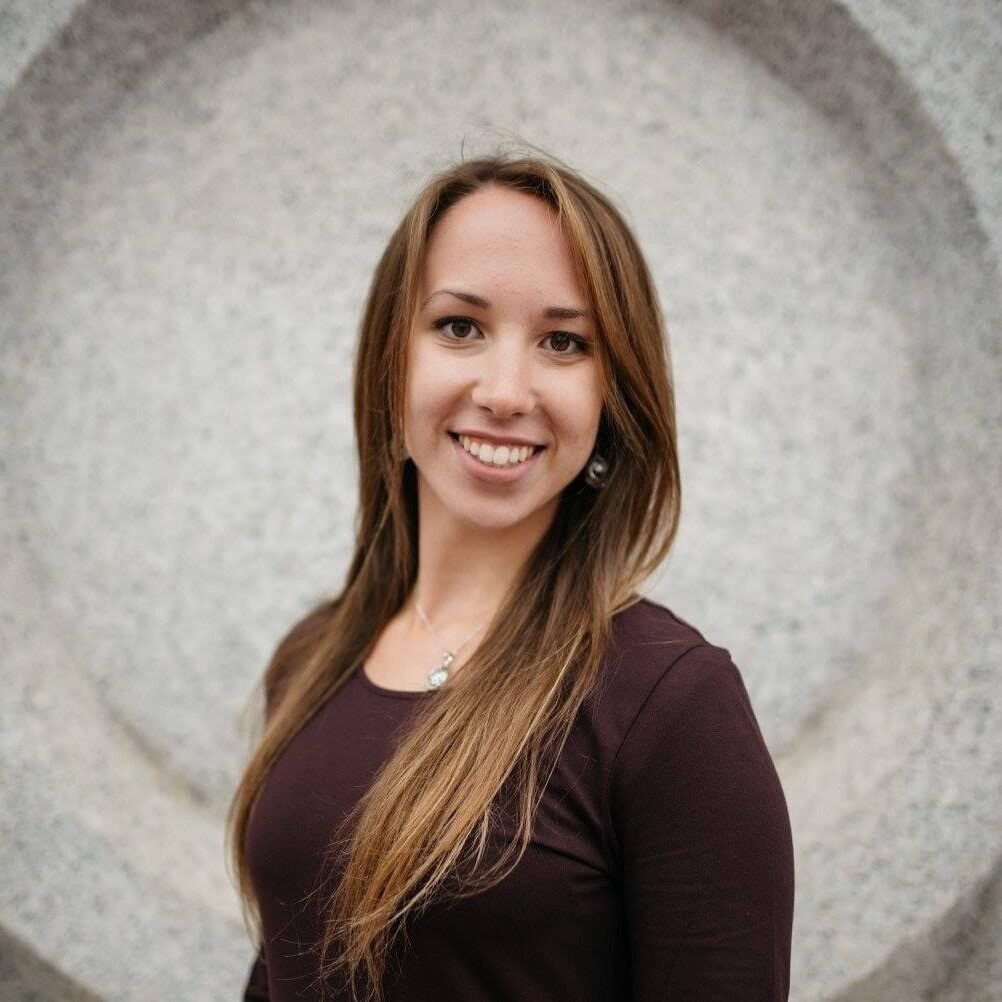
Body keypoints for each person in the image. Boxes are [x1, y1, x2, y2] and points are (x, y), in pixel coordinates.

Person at [225, 146, 795, 1002]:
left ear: (612, 399)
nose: (505, 389)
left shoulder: (670, 705)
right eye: (460, 326)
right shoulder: (311, 660)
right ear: (393, 357)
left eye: (564, 342)